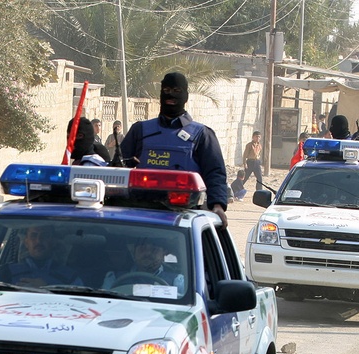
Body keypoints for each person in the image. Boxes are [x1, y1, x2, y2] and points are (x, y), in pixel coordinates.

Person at [120, 72, 230, 225]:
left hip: (187, 217)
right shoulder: (140, 130)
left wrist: (217, 206)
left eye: (177, 91)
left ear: (186, 96)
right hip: (141, 214)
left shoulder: (202, 134)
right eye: (166, 90)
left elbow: (215, 173)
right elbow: (120, 168)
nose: (170, 95)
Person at [0, 224, 81, 287]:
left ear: (54, 242)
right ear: (26, 242)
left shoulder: (70, 277)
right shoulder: (6, 273)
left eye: (45, 235)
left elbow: (80, 304)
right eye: (33, 235)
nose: (39, 241)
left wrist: (47, 288)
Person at [101, 235, 185, 296]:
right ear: (134, 253)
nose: (147, 253)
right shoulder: (114, 278)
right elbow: (104, 302)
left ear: (163, 253)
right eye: (142, 249)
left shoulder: (177, 281)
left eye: (154, 249)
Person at [235, 130, 263, 197]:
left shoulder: (259, 145)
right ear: (253, 137)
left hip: (256, 162)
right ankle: (236, 190)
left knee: (259, 178)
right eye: (256, 137)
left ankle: (259, 192)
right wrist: (244, 163)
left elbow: (259, 154)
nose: (258, 138)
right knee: (244, 177)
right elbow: (245, 155)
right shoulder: (249, 145)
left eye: (259, 137)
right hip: (250, 162)